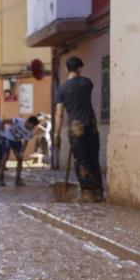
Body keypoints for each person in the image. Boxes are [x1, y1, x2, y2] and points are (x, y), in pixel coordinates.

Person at [54, 56, 104, 202]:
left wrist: (57, 134)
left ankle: (87, 193)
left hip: (76, 128)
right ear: (79, 68)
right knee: (93, 159)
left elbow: (59, 113)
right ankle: (98, 192)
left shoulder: (62, 88)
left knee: (81, 161)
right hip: (92, 127)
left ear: (66, 69)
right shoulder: (88, 83)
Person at [0, 116, 39, 186]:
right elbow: (4, 121)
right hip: (7, 137)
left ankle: (18, 179)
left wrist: (21, 152)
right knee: (5, 156)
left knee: (20, 159)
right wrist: (2, 132)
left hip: (17, 141)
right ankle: (1, 177)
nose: (32, 128)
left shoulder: (29, 132)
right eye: (32, 126)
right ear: (29, 122)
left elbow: (25, 142)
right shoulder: (18, 121)